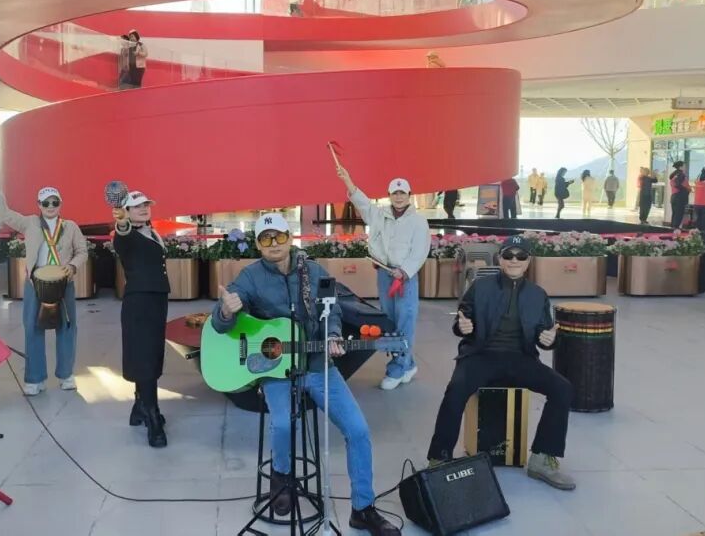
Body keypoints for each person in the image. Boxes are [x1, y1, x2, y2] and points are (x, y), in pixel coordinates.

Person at [211, 213, 400, 535]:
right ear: (258, 244)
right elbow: (219, 324)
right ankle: (281, 479)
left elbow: (333, 310)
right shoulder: (250, 277)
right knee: (284, 423)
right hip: (276, 369)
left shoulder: (313, 271)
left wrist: (333, 335)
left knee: (358, 430)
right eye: (266, 239)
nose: (274, 244)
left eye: (279, 237)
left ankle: (363, 508)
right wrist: (226, 310)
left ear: (290, 238)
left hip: (317, 365)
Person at [425, 235, 575, 491]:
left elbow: (544, 334)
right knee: (456, 389)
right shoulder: (480, 287)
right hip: (481, 355)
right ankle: (439, 458)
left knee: (562, 388)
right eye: (508, 255)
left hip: (520, 358)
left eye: (520, 256)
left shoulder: (538, 295)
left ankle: (542, 458)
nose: (514, 260)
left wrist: (549, 340)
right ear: (500, 259)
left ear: (528, 261)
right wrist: (462, 326)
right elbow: (462, 319)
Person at [337, 165, 428, 391]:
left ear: (409, 195)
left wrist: (404, 271)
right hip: (385, 274)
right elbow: (362, 203)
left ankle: (397, 367)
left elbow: (420, 251)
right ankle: (408, 364)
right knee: (389, 321)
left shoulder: (418, 221)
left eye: (402, 193)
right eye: (394, 193)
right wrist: (348, 181)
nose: (399, 197)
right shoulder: (380, 215)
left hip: (405, 278)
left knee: (405, 321)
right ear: (389, 195)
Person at [0, 187, 88, 395]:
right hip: (35, 283)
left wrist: (72, 266)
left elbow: (82, 251)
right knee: (32, 327)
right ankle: (35, 379)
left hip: (64, 283)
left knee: (67, 327)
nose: (50, 206)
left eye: (55, 202)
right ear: (39, 205)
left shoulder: (71, 226)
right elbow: (6, 215)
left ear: (60, 204)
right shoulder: (30, 223)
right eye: (46, 203)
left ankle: (66, 375)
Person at [112, 191, 170, 448]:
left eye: (146, 204)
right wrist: (121, 222)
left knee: (150, 353)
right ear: (126, 211)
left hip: (156, 300)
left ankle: (140, 405)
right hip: (140, 302)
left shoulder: (151, 232)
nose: (144, 209)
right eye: (137, 206)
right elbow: (122, 234)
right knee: (144, 355)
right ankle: (152, 415)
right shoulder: (126, 235)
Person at [669, 161, 690, 231]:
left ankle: (671, 230)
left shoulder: (674, 175)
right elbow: (677, 184)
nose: (685, 167)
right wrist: (686, 189)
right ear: (680, 167)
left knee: (675, 214)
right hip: (680, 197)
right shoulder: (681, 174)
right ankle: (675, 230)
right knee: (679, 215)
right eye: (684, 166)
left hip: (674, 196)